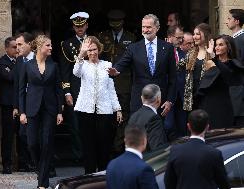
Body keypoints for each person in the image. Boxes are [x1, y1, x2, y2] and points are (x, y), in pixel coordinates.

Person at [108, 14, 176, 116]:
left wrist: (170, 101)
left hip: (160, 102)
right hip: (139, 101)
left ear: (157, 28)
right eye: (143, 27)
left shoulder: (167, 48)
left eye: (148, 27)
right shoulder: (133, 48)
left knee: (156, 131)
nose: (145, 30)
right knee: (138, 131)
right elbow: (121, 64)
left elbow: (173, 77)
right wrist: (115, 70)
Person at [19, 35, 64, 189]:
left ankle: (42, 183)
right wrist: (22, 112)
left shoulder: (54, 66)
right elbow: (21, 91)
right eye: (48, 45)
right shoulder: (27, 65)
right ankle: (42, 172)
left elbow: (59, 90)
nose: (51, 48)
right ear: (39, 47)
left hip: (50, 109)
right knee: (32, 144)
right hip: (32, 108)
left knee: (46, 144)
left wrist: (59, 111)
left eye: (51, 45)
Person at [73, 36, 122, 174]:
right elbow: (75, 72)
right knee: (88, 147)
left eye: (94, 49)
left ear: (99, 49)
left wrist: (117, 108)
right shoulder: (82, 64)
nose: (92, 53)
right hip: (85, 111)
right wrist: (81, 54)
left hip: (104, 111)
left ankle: (102, 177)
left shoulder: (106, 64)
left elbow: (111, 88)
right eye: (89, 50)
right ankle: (88, 177)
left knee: (104, 146)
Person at [98, 9, 136, 156]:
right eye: (112, 22)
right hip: (106, 83)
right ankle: (107, 147)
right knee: (107, 115)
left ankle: (119, 147)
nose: (115, 25)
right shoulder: (102, 37)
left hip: (124, 83)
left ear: (123, 22)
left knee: (124, 115)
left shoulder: (131, 37)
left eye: (118, 22)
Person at [164, 109, 230, 189]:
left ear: (188, 126)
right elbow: (223, 184)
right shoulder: (214, 153)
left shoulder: (175, 151)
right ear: (207, 127)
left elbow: (168, 181)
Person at [195, 35, 244, 129]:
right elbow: (204, 84)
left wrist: (214, 59)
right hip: (208, 105)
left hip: (224, 107)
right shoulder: (209, 63)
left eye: (220, 45)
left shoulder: (234, 64)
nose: (217, 47)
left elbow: (228, 76)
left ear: (228, 47)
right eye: (216, 45)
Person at [59, 12, 89, 162]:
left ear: (86, 25)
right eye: (77, 26)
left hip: (91, 88)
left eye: (82, 25)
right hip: (75, 90)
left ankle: (91, 155)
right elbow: (64, 71)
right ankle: (79, 156)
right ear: (73, 27)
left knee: (91, 124)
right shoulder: (67, 44)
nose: (80, 29)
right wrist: (67, 92)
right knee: (75, 126)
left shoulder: (93, 41)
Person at [13, 32, 35, 172]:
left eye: (20, 45)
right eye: (16, 45)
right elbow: (18, 85)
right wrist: (17, 106)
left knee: (38, 135)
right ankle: (29, 163)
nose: (17, 48)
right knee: (23, 134)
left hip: (37, 102)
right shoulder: (20, 61)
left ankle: (46, 166)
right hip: (24, 103)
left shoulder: (39, 58)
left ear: (30, 44)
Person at [0, 37, 18, 174]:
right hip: (8, 104)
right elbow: (9, 77)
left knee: (23, 134)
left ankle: (25, 163)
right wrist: (19, 65)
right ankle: (7, 164)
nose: (17, 49)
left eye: (17, 47)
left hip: (22, 103)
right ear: (6, 48)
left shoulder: (20, 62)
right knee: (8, 135)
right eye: (14, 47)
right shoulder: (1, 62)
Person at [128, 84, 167, 151]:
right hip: (148, 160)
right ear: (158, 99)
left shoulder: (133, 116)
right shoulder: (154, 118)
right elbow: (158, 148)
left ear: (141, 98)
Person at [165, 26, 187, 138]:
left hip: (181, 96)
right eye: (178, 38)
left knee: (182, 127)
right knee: (168, 126)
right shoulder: (162, 52)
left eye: (182, 38)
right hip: (167, 95)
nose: (181, 40)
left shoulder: (183, 53)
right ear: (170, 37)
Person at [226, 9, 244, 127]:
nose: (226, 22)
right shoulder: (234, 39)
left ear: (236, 21)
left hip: (239, 90)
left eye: (229, 19)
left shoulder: (241, 39)